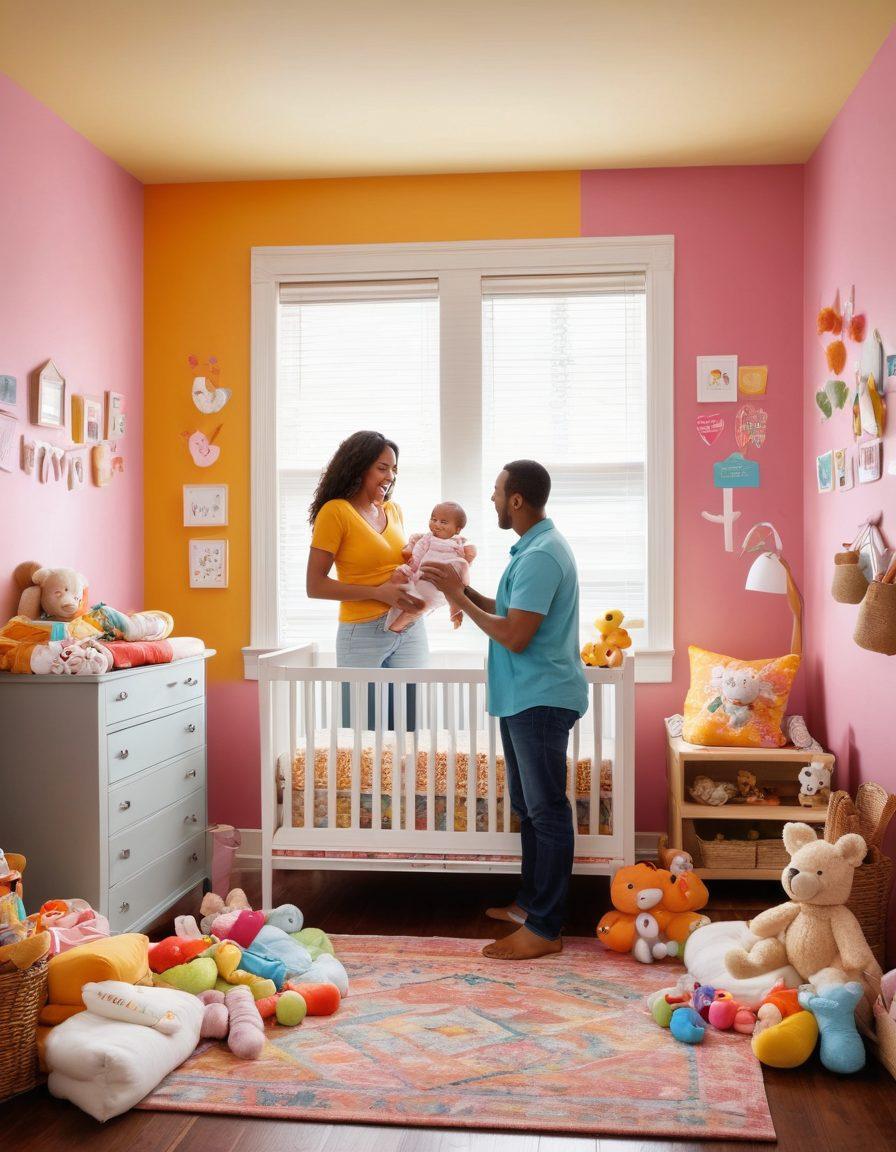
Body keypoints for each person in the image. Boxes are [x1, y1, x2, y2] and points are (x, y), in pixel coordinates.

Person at [422, 460, 588, 960]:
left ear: (517, 499)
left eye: (496, 492)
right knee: (529, 810)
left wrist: (457, 598)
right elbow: (512, 610)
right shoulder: (532, 550)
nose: (492, 500)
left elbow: (516, 635)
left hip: (539, 697)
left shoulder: (541, 555)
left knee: (546, 810)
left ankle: (545, 927)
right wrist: (464, 588)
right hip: (523, 697)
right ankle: (531, 905)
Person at [306, 431, 427, 677]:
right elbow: (315, 586)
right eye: (383, 468)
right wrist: (377, 593)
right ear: (359, 467)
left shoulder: (393, 511)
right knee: (363, 715)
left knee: (411, 713)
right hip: (362, 630)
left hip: (409, 627)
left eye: (394, 469)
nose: (390, 477)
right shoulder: (335, 512)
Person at [385, 501, 476, 633]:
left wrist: (468, 558)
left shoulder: (459, 543)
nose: (436, 524)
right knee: (399, 575)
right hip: (423, 577)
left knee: (460, 570)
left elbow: (463, 566)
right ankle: (397, 612)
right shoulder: (427, 538)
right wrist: (413, 567)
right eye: (433, 519)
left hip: (443, 584)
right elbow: (418, 552)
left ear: (457, 529)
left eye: (443, 522)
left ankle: (455, 608)